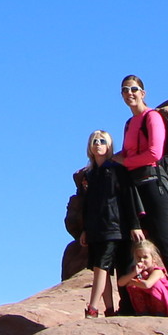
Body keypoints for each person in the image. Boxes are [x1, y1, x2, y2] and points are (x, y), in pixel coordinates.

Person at [117, 74, 168, 317]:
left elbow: (154, 153)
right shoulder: (130, 124)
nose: (129, 93)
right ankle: (132, 305)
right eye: (124, 90)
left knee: (164, 242)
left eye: (133, 89)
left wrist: (125, 162)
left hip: (154, 185)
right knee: (131, 243)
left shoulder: (153, 117)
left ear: (143, 92)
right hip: (135, 186)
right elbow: (127, 154)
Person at [68, 129, 139, 317]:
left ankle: (92, 308)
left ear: (109, 146)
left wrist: (135, 224)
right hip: (95, 228)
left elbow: (128, 196)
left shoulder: (116, 169)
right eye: (94, 141)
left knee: (101, 266)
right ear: (90, 147)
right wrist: (85, 230)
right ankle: (109, 309)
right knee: (101, 268)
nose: (98, 144)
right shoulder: (89, 175)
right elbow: (87, 204)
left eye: (102, 141)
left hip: (114, 226)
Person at [117, 233, 168, 317]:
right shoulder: (137, 270)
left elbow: (148, 284)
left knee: (154, 284)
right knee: (133, 286)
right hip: (149, 304)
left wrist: (132, 281)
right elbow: (120, 283)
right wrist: (133, 274)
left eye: (145, 257)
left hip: (166, 304)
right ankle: (143, 311)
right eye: (138, 257)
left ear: (153, 258)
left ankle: (160, 312)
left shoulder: (157, 271)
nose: (141, 260)